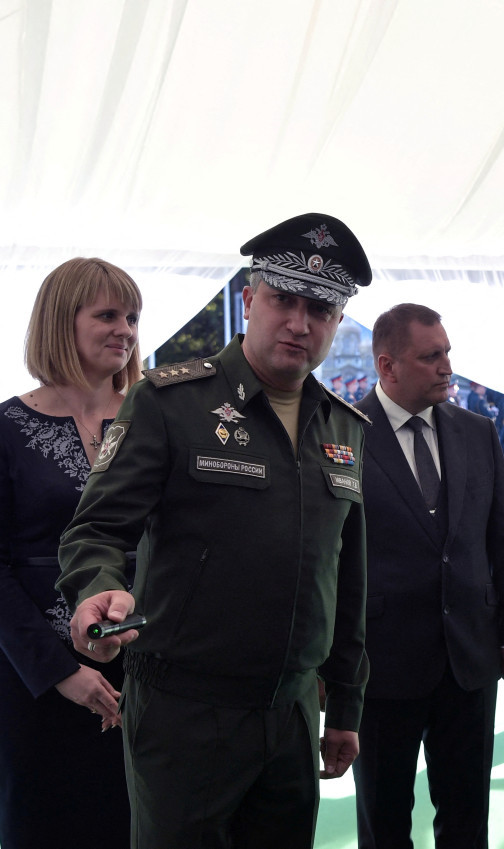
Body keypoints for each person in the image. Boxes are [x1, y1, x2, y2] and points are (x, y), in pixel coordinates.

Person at [57, 213, 373, 848]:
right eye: (283, 300)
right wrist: (96, 587)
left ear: (337, 323)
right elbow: (96, 528)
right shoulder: (170, 403)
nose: (299, 323)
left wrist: (344, 706)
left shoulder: (344, 426)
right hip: (184, 715)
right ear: (250, 301)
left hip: (289, 715)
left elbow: (345, 576)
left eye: (321, 309)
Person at [354, 304, 504, 848]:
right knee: (384, 821)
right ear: (388, 366)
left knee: (467, 813)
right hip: (381, 665)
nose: (446, 367)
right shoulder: (341, 433)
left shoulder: (477, 432)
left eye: (448, 352)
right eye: (431, 357)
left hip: (470, 660)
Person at [0, 258, 142, 849]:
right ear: (62, 320)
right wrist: (59, 673)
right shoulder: (6, 428)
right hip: (35, 680)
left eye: (132, 317)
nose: (126, 330)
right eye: (108, 314)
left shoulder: (153, 424)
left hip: (149, 673)